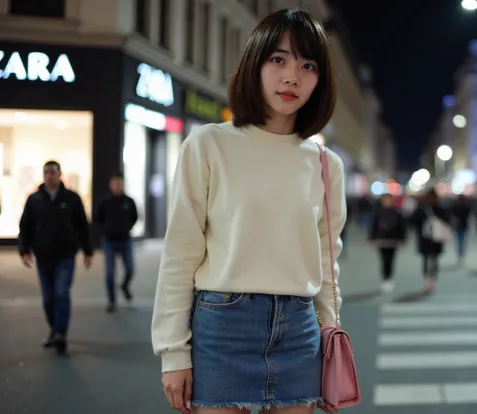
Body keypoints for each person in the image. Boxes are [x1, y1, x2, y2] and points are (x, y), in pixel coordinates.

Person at [152, 9, 345, 414]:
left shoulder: (326, 164)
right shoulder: (207, 144)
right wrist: (173, 353)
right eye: (279, 59)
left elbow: (328, 259)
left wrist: (331, 331)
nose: (292, 75)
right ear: (254, 62)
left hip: (299, 329)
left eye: (307, 65)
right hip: (223, 327)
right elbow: (181, 251)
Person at [17, 161, 93, 355]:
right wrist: (24, 250)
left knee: (61, 292)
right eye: (46, 172)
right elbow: (25, 226)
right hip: (43, 256)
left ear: (60, 175)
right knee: (48, 298)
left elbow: (83, 226)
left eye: (52, 172)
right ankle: (54, 329)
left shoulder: (72, 198)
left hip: (65, 255)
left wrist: (87, 250)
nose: (49, 175)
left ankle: (61, 334)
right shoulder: (34, 199)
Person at [95, 173, 139, 313]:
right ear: (110, 185)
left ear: (123, 184)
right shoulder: (105, 202)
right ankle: (112, 301)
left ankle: (124, 286)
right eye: (114, 183)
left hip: (125, 240)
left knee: (131, 269)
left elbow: (134, 217)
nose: (117, 186)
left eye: (119, 183)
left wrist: (128, 227)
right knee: (109, 273)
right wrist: (105, 229)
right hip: (109, 242)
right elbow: (98, 217)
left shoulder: (129, 201)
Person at [411, 188, 451, 293]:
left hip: (424, 238)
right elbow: (447, 220)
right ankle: (433, 278)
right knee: (434, 259)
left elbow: (414, 222)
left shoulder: (421, 209)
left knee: (426, 259)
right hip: (436, 238)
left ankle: (427, 279)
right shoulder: (439, 209)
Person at [369, 194, 407, 293]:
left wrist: (402, 239)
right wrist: (372, 238)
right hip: (382, 240)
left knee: (390, 260)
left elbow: (402, 227)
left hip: (393, 240)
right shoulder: (378, 213)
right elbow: (373, 226)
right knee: (384, 260)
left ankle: (389, 278)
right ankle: (385, 278)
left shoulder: (397, 213)